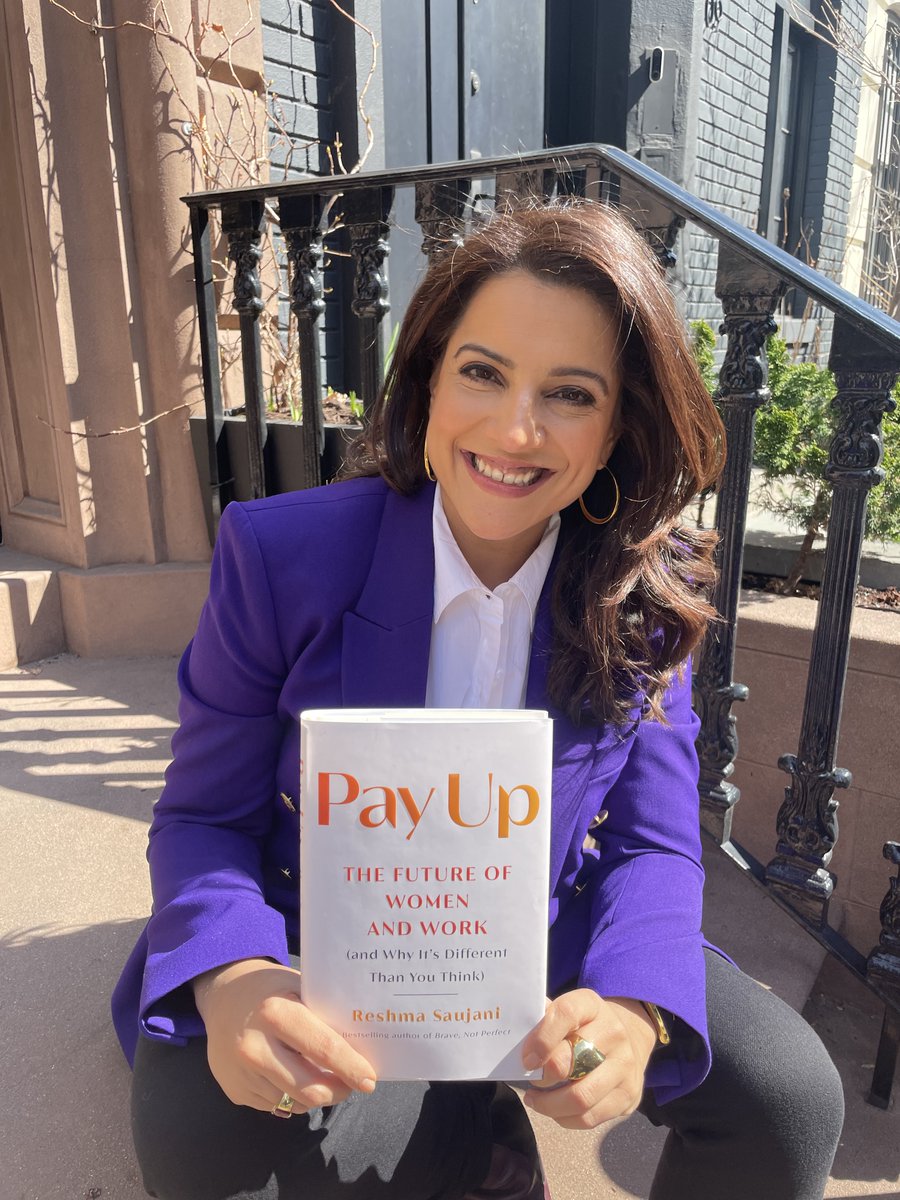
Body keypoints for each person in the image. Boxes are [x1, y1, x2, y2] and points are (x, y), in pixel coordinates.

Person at [113, 200, 844, 1200]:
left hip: (540, 928)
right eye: (483, 373)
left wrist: (633, 1008)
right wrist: (236, 978)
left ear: (618, 423)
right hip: (315, 935)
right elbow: (202, 817)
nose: (514, 429)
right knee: (198, 1132)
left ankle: (467, 1110)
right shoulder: (284, 554)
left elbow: (655, 843)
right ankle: (462, 1112)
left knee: (789, 1096)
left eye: (570, 393)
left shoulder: (643, 585)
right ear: (429, 379)